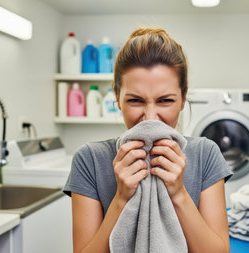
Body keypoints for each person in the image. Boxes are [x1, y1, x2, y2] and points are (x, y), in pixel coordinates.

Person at [63, 27, 233, 253]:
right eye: (135, 100)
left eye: (164, 100)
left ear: (183, 99)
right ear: (117, 98)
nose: (150, 117)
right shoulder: (90, 159)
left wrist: (178, 193)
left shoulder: (205, 154)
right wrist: (122, 198)